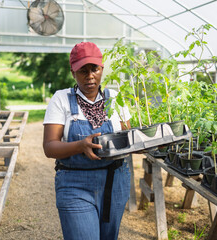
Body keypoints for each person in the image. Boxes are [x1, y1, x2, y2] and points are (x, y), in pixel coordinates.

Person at [43, 42, 131, 240]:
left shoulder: (115, 98)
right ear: (73, 73)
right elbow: (49, 147)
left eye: (94, 69)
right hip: (74, 183)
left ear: (101, 69)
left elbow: (128, 138)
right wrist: (80, 145)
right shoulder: (62, 99)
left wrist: (151, 142)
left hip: (114, 181)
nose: (90, 76)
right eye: (82, 71)